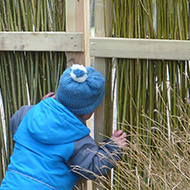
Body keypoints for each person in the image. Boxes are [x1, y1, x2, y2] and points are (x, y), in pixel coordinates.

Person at [0, 64, 127, 190]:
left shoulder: (27, 114)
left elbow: (15, 125)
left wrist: (44, 108)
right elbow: (90, 168)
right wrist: (112, 148)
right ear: (89, 112)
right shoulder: (78, 140)